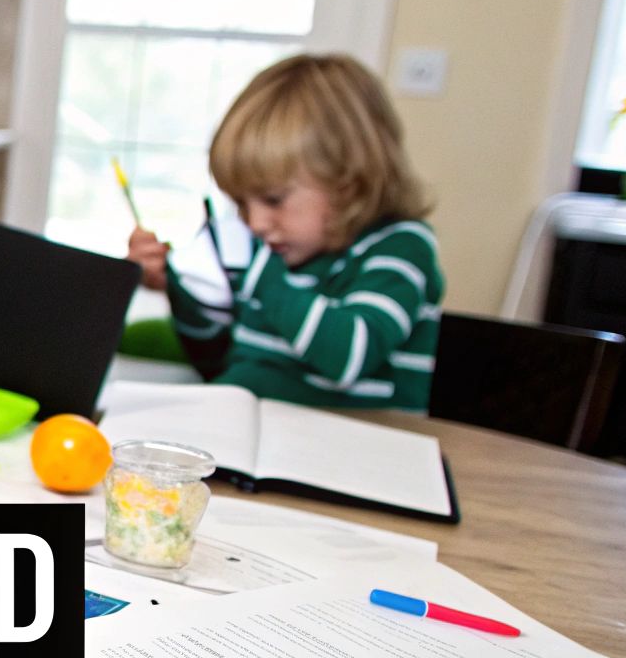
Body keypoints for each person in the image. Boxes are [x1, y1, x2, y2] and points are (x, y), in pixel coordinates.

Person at [127, 54, 443, 409]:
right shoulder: (280, 252)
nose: (256, 223)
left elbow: (347, 357)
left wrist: (267, 281)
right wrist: (175, 291)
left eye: (274, 200)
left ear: (350, 183)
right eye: (242, 204)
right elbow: (218, 362)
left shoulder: (400, 247)